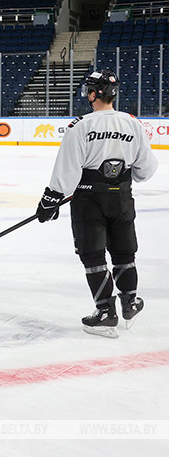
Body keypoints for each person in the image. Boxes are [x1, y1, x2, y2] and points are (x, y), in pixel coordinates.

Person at [36, 70, 158, 338]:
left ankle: (105, 311)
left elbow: (67, 172)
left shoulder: (80, 126)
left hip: (89, 200)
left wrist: (50, 199)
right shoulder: (133, 124)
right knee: (125, 253)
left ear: (94, 94)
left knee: (93, 255)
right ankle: (130, 302)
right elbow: (146, 170)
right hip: (122, 198)